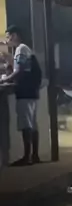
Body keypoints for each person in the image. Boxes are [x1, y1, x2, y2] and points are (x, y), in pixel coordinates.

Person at [1, 25, 42, 166]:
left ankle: (27, 157)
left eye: (8, 36)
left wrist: (4, 80)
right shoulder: (25, 49)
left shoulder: (21, 49)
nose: (7, 40)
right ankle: (34, 156)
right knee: (32, 124)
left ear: (15, 35)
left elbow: (19, 71)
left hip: (25, 92)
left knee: (26, 125)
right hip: (32, 92)